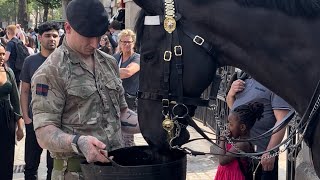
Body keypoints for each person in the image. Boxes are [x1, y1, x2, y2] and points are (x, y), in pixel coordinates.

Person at [30, 0, 140, 179]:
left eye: (99, 36)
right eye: (88, 36)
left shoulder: (109, 62)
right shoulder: (51, 71)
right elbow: (43, 133)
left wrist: (152, 124)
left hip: (114, 170)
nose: (94, 43)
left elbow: (122, 113)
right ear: (68, 28)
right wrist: (78, 142)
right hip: (75, 173)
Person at [226, 72, 290, 180]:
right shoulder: (244, 77)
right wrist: (231, 93)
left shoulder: (276, 84)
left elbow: (282, 121)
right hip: (240, 152)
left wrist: (270, 152)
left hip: (262, 156)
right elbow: (236, 112)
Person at [20, 22, 60, 180]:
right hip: (35, 122)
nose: (52, 39)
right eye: (48, 36)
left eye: (55, 36)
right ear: (39, 38)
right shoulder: (30, 62)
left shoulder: (65, 61)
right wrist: (26, 118)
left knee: (54, 166)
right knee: (30, 165)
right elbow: (24, 91)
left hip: (58, 123)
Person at [215, 102, 264, 180]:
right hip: (226, 175)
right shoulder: (238, 139)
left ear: (242, 127)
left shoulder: (242, 144)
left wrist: (222, 140)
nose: (228, 126)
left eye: (231, 124)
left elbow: (222, 161)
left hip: (233, 177)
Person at [0, 44, 24, 180]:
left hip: (6, 118)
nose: (2, 57)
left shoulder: (9, 72)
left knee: (7, 155)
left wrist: (20, 127)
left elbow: (15, 99)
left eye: (3, 54)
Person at [113, 29, 140, 147]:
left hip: (130, 99)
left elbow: (128, 72)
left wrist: (107, 72)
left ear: (133, 43)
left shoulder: (137, 58)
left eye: (129, 42)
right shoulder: (115, 58)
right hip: (115, 98)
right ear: (119, 43)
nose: (126, 44)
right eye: (123, 42)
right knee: (116, 133)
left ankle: (130, 159)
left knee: (127, 135)